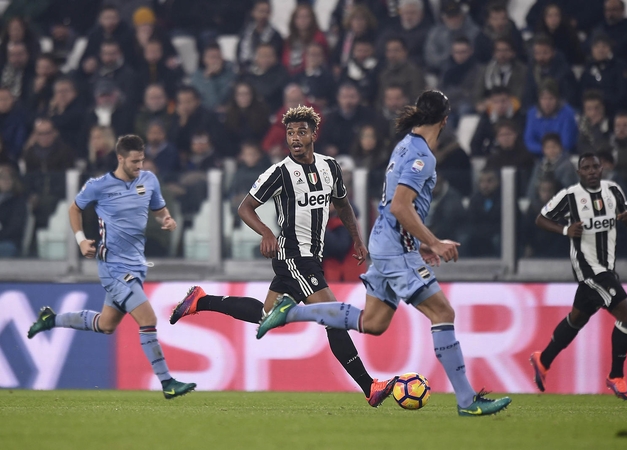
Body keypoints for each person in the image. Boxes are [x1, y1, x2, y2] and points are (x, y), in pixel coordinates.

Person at [256, 90, 512, 417]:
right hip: (394, 247)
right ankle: (466, 401)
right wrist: (433, 241)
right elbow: (400, 205)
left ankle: (288, 313)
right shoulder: (422, 156)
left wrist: (414, 241)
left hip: (387, 241)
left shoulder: (404, 145)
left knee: (373, 322)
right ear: (445, 121)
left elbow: (394, 207)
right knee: (443, 314)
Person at [169, 105, 398, 408]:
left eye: (301, 131)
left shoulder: (330, 167)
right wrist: (266, 233)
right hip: (293, 256)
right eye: (290, 133)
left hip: (311, 257)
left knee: (265, 316)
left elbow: (342, 205)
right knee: (333, 318)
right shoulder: (278, 173)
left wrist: (357, 239)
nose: (294, 138)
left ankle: (201, 300)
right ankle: (370, 387)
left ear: (313, 134)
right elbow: (244, 207)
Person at [26, 134, 196, 399]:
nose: (140, 165)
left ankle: (51, 319)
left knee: (106, 325)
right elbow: (74, 209)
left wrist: (168, 219)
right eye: (134, 161)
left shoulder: (149, 180)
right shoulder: (99, 186)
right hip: (113, 267)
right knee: (148, 319)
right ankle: (167, 383)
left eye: (142, 160)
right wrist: (81, 240)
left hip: (136, 266)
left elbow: (159, 209)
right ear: (120, 158)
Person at [529, 152, 627, 401]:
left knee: (576, 321)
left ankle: (543, 359)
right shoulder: (570, 197)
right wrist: (566, 229)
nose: (591, 171)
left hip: (607, 269)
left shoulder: (613, 191)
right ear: (579, 173)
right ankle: (616, 376)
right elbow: (540, 219)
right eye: (586, 168)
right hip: (589, 271)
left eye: (595, 167)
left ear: (602, 169)